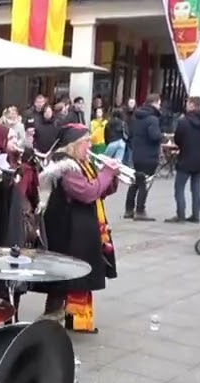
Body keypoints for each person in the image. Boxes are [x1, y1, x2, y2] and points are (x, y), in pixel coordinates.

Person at [38, 124, 121, 333]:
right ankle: (54, 317)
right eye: (86, 140)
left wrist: (112, 177)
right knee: (69, 274)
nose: (90, 144)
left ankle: (70, 318)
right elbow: (86, 192)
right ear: (74, 144)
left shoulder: (83, 163)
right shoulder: (66, 167)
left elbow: (99, 189)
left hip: (80, 225)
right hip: (68, 228)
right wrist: (106, 173)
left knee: (77, 274)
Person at [169, 96, 200, 224]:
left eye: (188, 103)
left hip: (186, 157)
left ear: (192, 105)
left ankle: (181, 214)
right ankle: (196, 215)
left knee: (179, 187)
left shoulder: (184, 122)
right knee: (195, 188)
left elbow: (178, 139)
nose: (186, 105)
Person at [124, 94, 162, 221]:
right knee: (144, 182)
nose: (160, 106)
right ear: (154, 103)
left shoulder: (136, 117)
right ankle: (140, 210)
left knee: (135, 181)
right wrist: (162, 136)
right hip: (149, 155)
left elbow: (130, 134)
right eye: (159, 103)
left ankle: (129, 209)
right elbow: (154, 136)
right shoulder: (153, 119)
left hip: (137, 154)